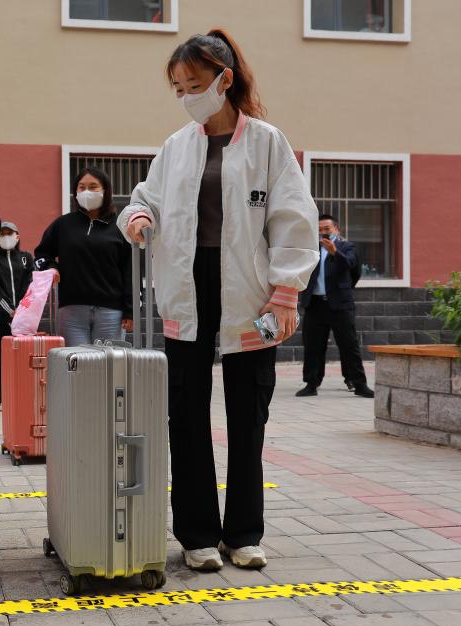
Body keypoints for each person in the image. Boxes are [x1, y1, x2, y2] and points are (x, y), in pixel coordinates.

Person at [119, 30, 318, 571]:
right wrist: (139, 216)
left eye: (195, 84)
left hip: (251, 293)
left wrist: (285, 293)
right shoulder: (176, 146)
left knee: (247, 415)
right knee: (183, 416)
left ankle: (245, 533)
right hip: (187, 288)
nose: (187, 95)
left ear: (224, 81)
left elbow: (293, 221)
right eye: (179, 87)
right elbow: (146, 199)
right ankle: (198, 534)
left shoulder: (267, 143)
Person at [35, 166, 134, 347]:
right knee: (76, 366)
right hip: (71, 310)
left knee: (108, 367)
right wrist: (51, 267)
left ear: (105, 190)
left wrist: (131, 311)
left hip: (111, 312)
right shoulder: (63, 225)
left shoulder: (120, 226)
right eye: (81, 187)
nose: (86, 191)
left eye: (93, 186)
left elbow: (130, 270)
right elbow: (41, 253)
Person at [296, 214, 374, 398]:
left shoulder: (347, 246)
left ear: (336, 230)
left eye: (327, 229)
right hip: (315, 304)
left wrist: (334, 252)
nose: (323, 233)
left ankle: (358, 383)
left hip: (339, 304)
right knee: (313, 345)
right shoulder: (311, 249)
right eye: (320, 230)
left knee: (349, 345)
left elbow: (351, 266)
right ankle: (311, 383)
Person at [0, 221, 34, 409]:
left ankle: (23, 396)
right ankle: (3, 398)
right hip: (0, 319)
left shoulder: (25, 258)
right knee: (3, 358)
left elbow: (30, 283)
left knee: (24, 357)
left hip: (24, 317)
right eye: (2, 233)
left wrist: (22, 309)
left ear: (17, 236)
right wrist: (10, 311)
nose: (6, 237)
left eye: (10, 233)